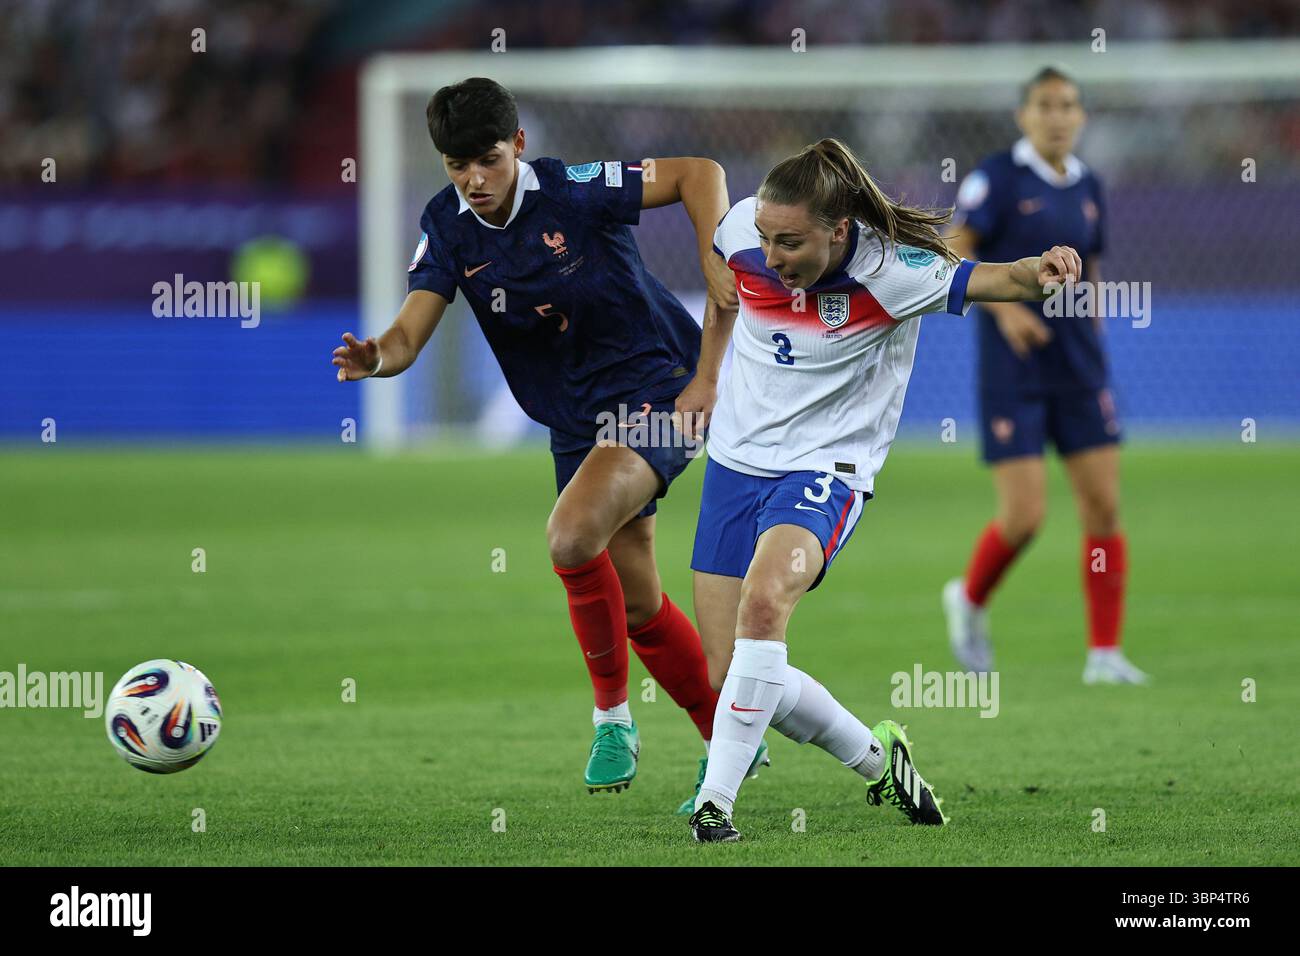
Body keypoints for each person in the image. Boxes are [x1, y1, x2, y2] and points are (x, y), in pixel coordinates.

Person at [332, 77, 770, 804]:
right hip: (575, 419)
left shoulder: (574, 189)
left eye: (489, 160)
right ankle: (727, 742)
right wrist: (378, 356)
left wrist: (712, 256)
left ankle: (611, 719)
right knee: (635, 604)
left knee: (570, 537)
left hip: (659, 388)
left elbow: (701, 174)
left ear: (520, 147)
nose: (474, 180)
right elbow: (410, 331)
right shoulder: (446, 224)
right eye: (456, 165)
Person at [674, 137, 1085, 842]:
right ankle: (878, 762)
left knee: (766, 602)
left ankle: (715, 803)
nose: (772, 257)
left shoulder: (895, 272)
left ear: (839, 231)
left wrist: (1042, 269)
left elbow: (1002, 280)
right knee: (729, 667)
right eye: (768, 240)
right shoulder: (744, 227)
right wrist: (707, 376)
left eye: (792, 243)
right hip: (736, 463)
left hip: (825, 470)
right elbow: (724, 288)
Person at [942, 67, 1148, 685]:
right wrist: (1005, 314)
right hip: (1015, 368)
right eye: (1045, 105)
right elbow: (954, 247)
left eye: (1068, 105)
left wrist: (1099, 329)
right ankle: (969, 599)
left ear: (1081, 116)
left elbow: (1093, 271)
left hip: (1079, 366)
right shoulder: (997, 177)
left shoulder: (1090, 186)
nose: (1058, 116)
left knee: (1103, 508)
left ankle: (1105, 654)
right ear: (1023, 116)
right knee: (1026, 516)